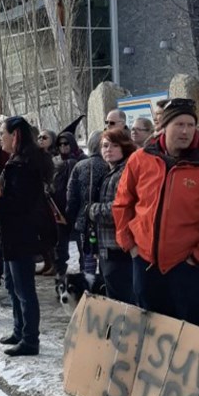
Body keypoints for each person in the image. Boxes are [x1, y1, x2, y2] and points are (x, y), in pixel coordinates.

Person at [114, 99, 199, 326]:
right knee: (150, 332)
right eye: (179, 124)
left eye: (190, 125)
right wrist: (129, 244)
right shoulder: (140, 160)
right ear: (164, 127)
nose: (186, 131)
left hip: (186, 267)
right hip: (145, 263)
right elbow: (123, 203)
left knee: (190, 335)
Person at [0, 116, 53, 356]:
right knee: (12, 284)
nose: (0, 138)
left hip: (21, 235)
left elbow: (15, 203)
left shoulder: (23, 165)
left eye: (3, 133)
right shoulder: (18, 161)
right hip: (11, 234)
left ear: (15, 136)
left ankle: (30, 339)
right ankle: (19, 330)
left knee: (24, 289)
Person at [88, 128, 137, 303]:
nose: (108, 149)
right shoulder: (110, 172)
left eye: (114, 145)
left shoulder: (124, 172)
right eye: (105, 145)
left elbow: (120, 208)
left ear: (124, 147)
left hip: (119, 249)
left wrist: (93, 210)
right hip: (106, 247)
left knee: (122, 301)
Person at [66, 131, 109, 274]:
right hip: (105, 219)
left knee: (87, 258)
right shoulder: (109, 166)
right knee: (105, 260)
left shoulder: (80, 166)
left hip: (83, 220)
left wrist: (71, 218)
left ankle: (88, 290)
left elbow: (71, 196)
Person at [51, 129, 86, 276]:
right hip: (60, 208)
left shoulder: (82, 159)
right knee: (61, 245)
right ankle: (60, 272)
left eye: (66, 143)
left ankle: (85, 271)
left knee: (81, 243)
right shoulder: (55, 161)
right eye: (60, 144)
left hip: (77, 207)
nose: (64, 146)